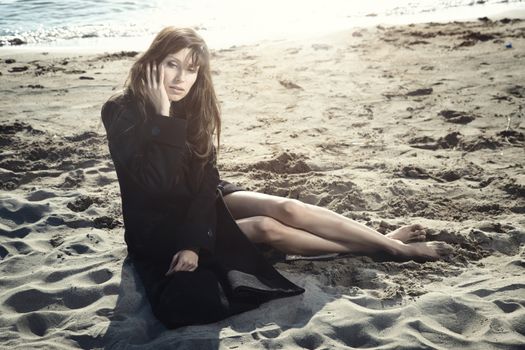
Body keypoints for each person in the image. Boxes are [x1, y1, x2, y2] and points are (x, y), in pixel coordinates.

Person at [101, 27, 452, 328]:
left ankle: (387, 243)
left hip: (198, 199)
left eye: (191, 70)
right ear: (152, 63)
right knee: (267, 229)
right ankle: (391, 247)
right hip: (159, 225)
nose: (180, 79)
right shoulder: (120, 110)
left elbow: (207, 180)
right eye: (172, 65)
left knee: (288, 208)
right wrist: (163, 116)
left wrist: (195, 237)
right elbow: (154, 184)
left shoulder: (195, 104)